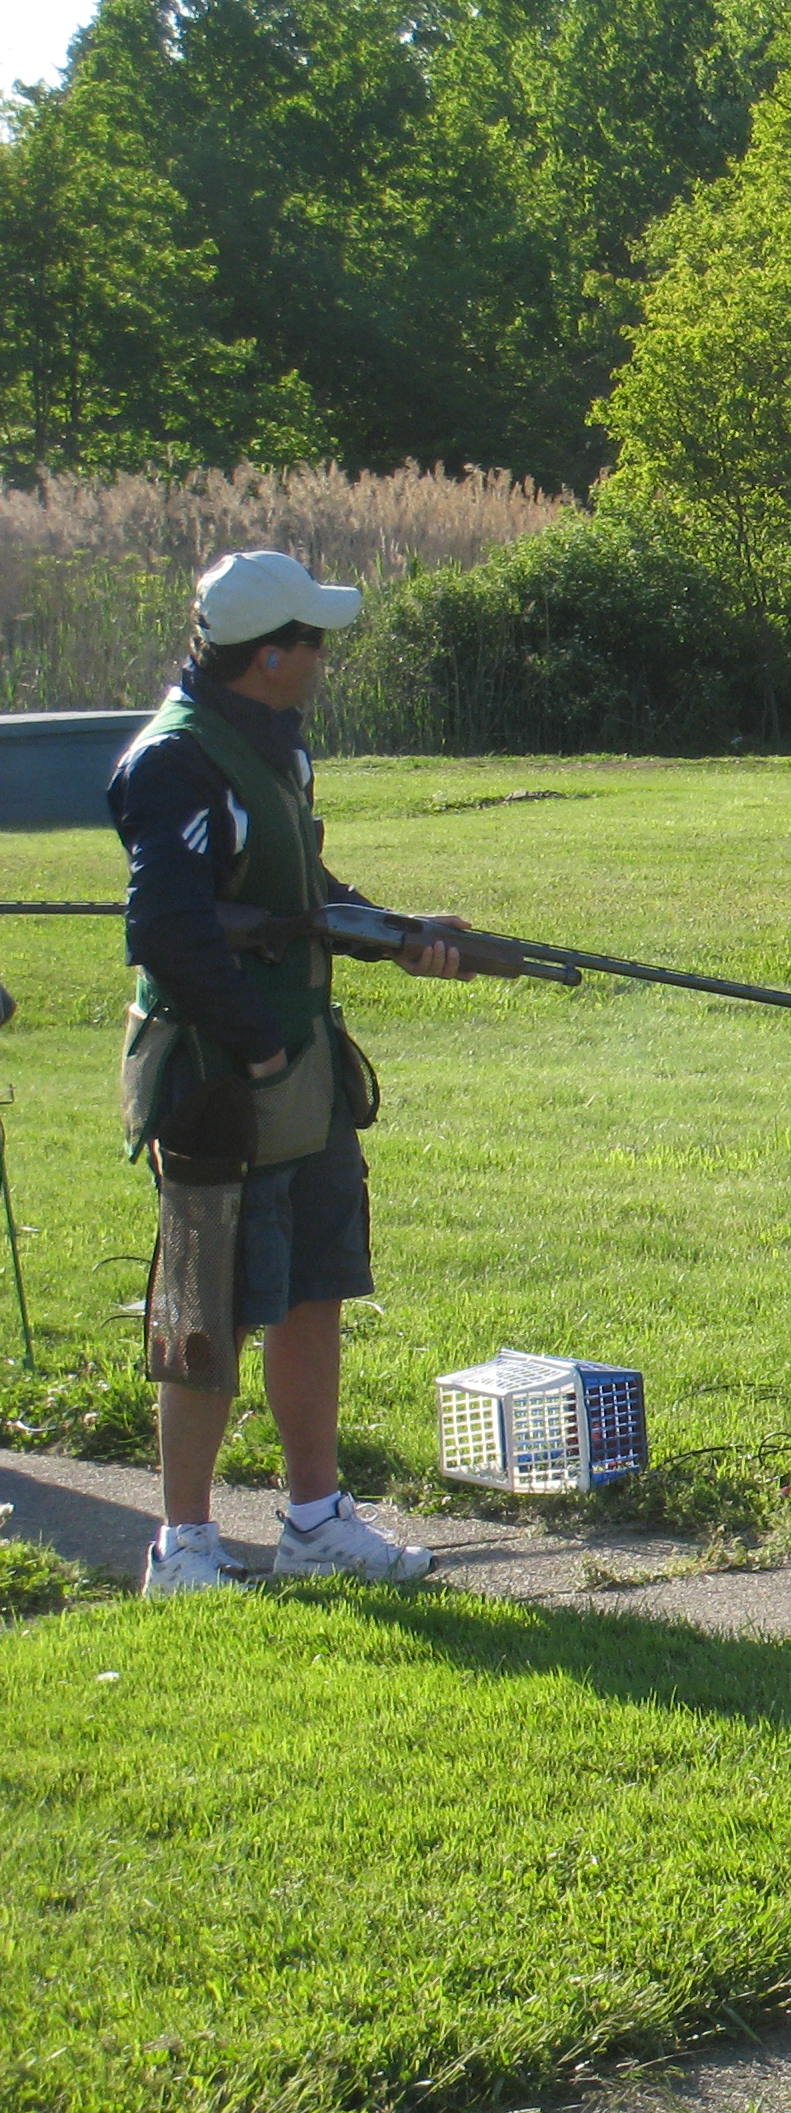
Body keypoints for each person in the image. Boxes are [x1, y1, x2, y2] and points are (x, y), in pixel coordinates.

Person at [112, 549, 471, 1596]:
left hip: (297, 1060)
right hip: (222, 1075)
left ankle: (314, 1517)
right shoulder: (176, 761)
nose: (323, 657)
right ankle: (183, 1544)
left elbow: (302, 889)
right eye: (312, 640)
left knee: (314, 1285)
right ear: (271, 656)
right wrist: (259, 1051)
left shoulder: (273, 748)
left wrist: (396, 933)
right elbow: (167, 929)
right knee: (204, 1307)